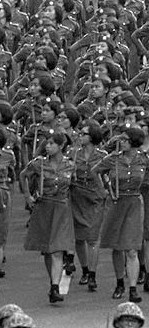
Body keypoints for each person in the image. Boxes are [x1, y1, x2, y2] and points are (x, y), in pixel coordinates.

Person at [93, 127, 149, 302]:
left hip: (134, 203)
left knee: (132, 248)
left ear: (133, 142)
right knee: (117, 247)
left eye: (124, 139)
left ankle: (133, 289)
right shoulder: (112, 160)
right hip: (116, 203)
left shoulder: (143, 160)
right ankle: (119, 283)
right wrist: (103, 191)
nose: (121, 142)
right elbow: (95, 171)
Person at [20, 133, 75, 303]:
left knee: (57, 249)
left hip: (62, 208)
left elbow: (74, 185)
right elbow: (23, 175)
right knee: (47, 250)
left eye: (52, 144)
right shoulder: (38, 164)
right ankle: (53, 281)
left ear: (60, 146)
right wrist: (28, 196)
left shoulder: (70, 165)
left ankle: (55, 287)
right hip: (44, 207)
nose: (47, 147)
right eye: (47, 144)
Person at [69, 120, 107, 291]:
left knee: (92, 237)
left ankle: (92, 274)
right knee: (78, 237)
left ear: (92, 137)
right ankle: (84, 269)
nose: (79, 135)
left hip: (95, 198)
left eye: (83, 133)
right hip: (77, 196)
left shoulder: (102, 155)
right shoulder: (73, 153)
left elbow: (110, 176)